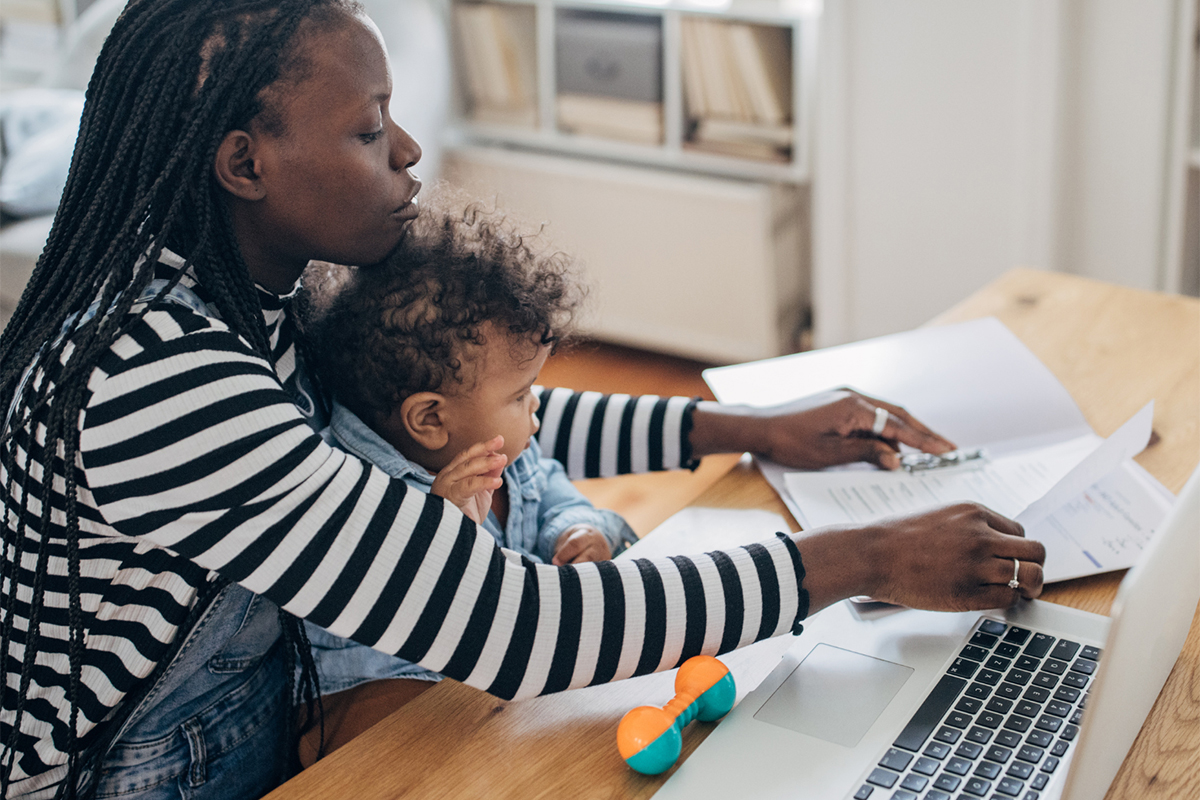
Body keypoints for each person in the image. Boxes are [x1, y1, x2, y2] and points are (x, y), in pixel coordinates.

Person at [0, 2, 1046, 799]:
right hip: (143, 772)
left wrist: (742, 426)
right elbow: (525, 626)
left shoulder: (239, 292)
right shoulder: (158, 377)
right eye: (370, 132)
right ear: (245, 163)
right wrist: (867, 559)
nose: (408, 151)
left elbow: (469, 410)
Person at [298, 196, 636, 710]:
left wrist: (579, 530)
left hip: (502, 690)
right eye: (520, 394)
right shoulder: (360, 498)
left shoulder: (507, 453)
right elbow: (440, 611)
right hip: (392, 710)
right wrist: (447, 534)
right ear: (431, 420)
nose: (536, 402)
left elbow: (555, 494)